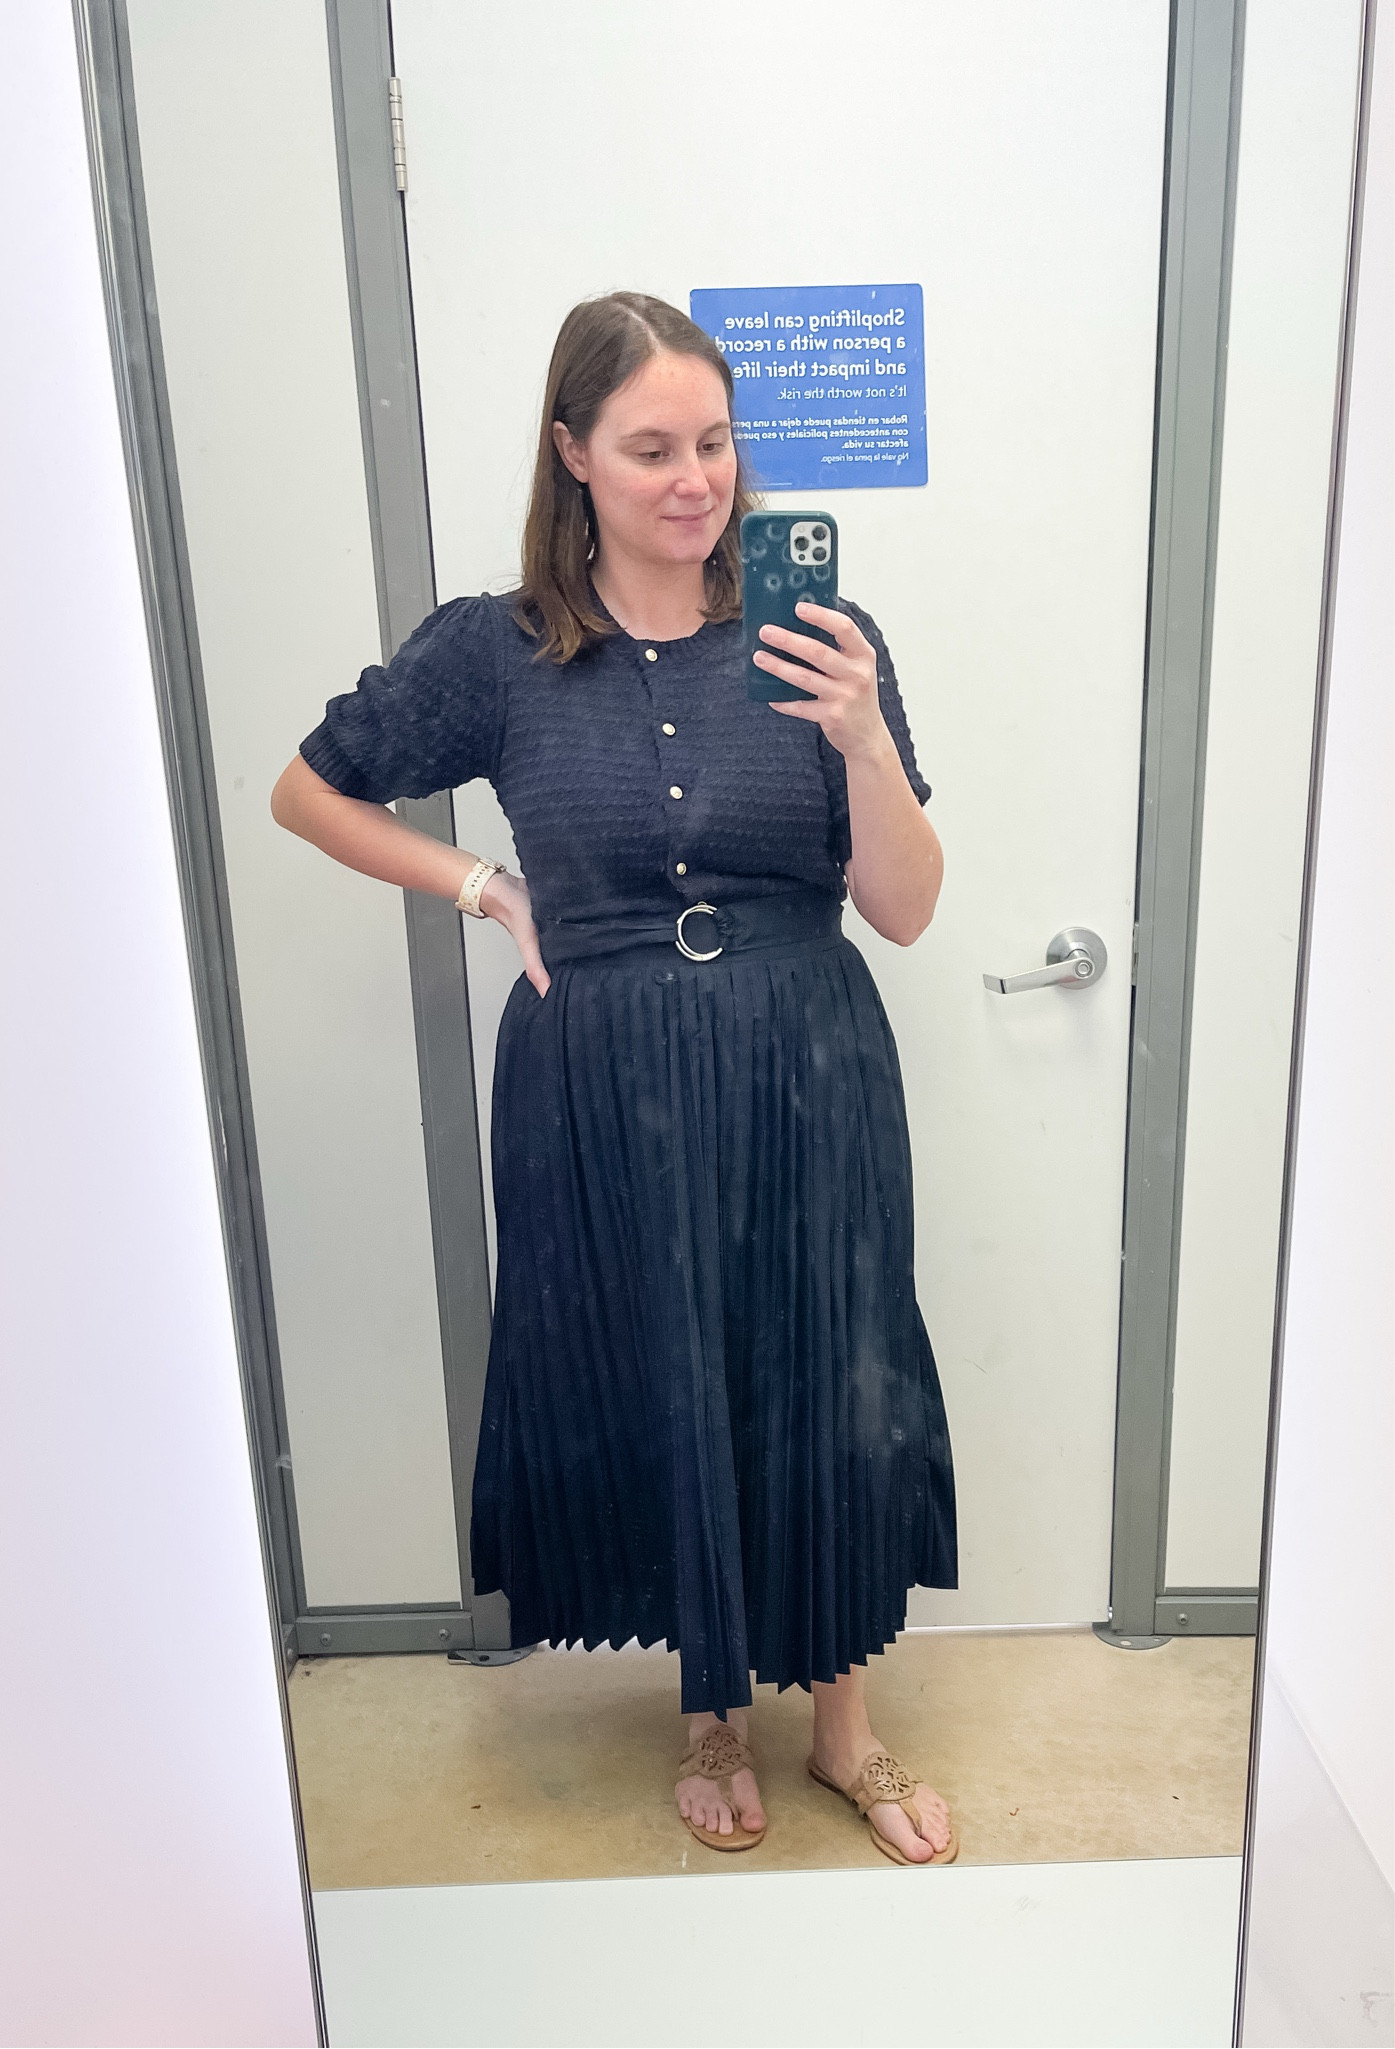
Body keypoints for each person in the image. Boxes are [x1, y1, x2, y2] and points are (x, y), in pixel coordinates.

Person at [272, 292, 958, 1865]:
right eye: (650, 447)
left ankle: (844, 1727)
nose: (693, 479)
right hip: (600, 1086)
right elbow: (305, 788)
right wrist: (482, 890)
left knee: (828, 1380)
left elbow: (910, 905)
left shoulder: (822, 645)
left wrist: (860, 735)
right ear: (573, 454)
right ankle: (708, 1709)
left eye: (713, 442)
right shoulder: (498, 652)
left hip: (808, 1068)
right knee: (662, 1375)